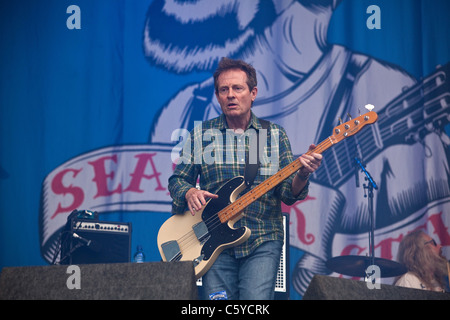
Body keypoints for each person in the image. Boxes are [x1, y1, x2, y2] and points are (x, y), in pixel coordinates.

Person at [168, 57, 322, 300]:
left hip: (262, 238)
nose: (230, 95)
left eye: (238, 88)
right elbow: (177, 181)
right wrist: (189, 192)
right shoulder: (201, 134)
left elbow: (288, 194)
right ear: (217, 96)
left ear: (253, 93)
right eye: (224, 90)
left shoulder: (273, 134)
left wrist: (302, 174)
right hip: (212, 243)